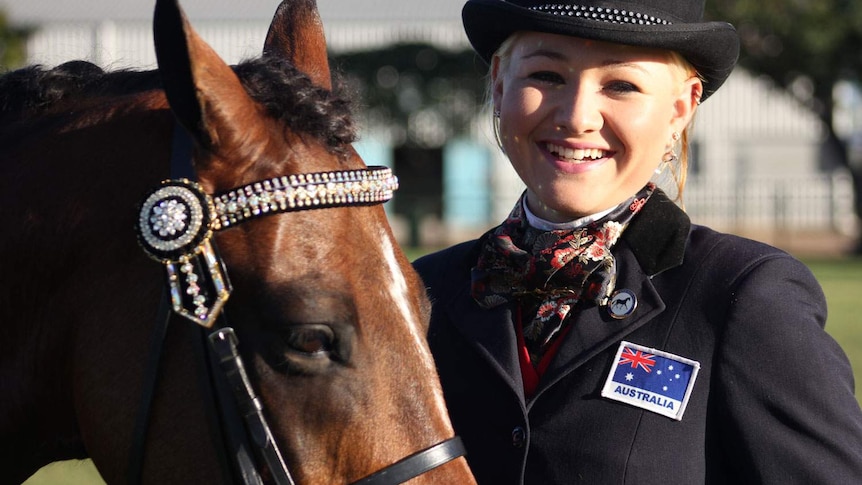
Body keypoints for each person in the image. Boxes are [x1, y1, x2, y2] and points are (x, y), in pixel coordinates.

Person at [413, 0, 862, 483]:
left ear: (679, 109)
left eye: (621, 85)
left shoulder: (740, 296)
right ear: (500, 84)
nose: (577, 117)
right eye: (546, 76)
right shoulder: (420, 293)